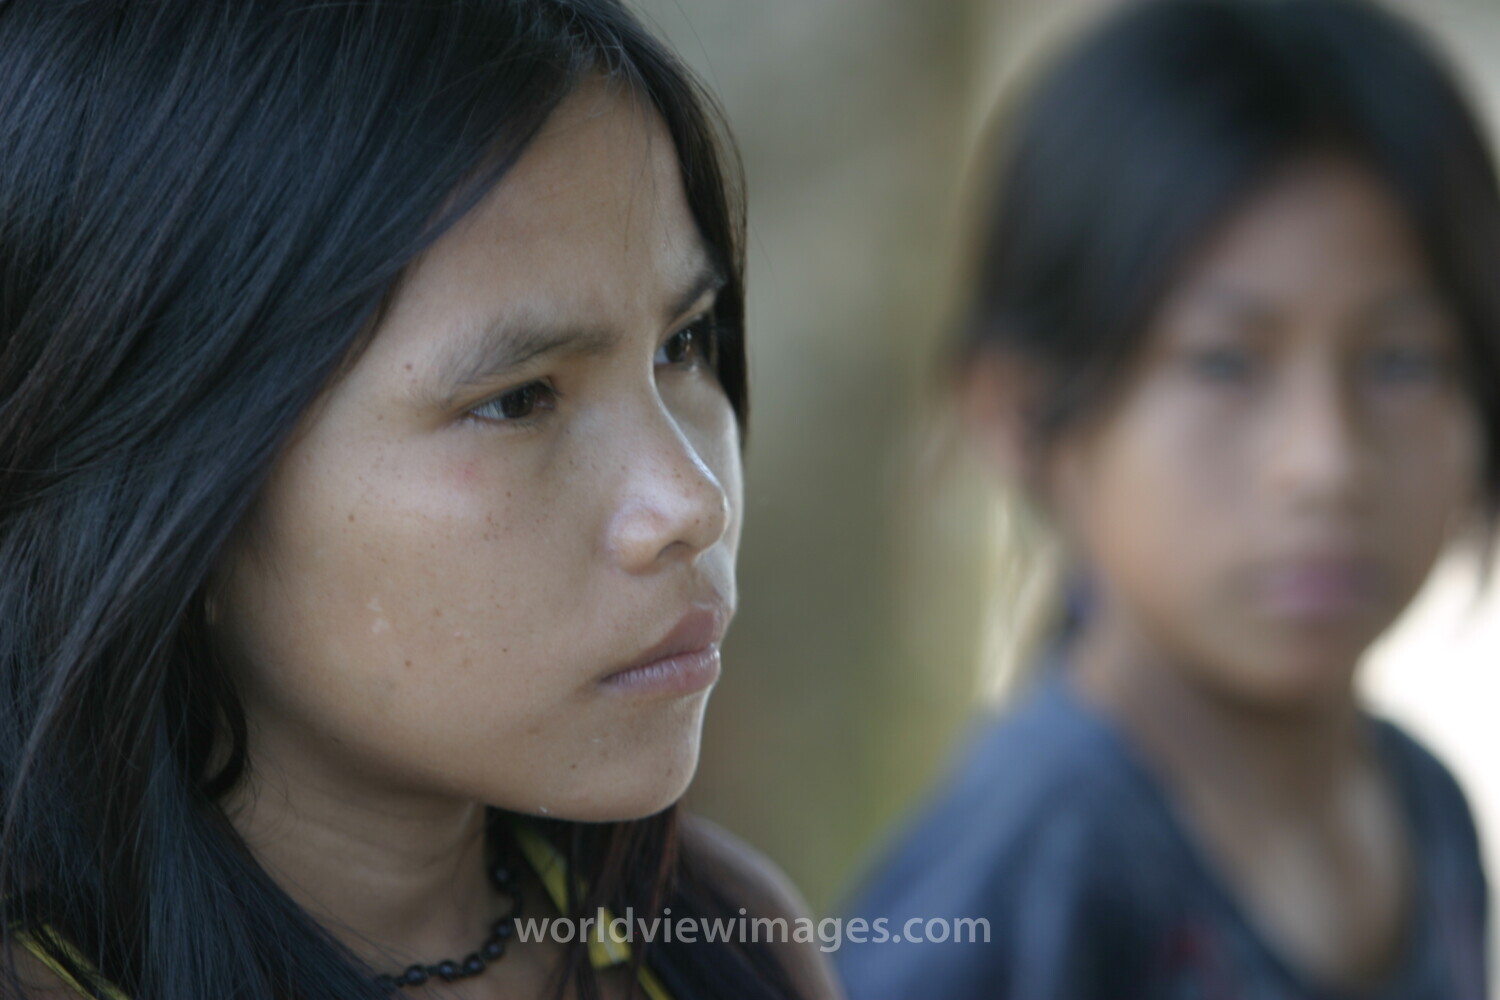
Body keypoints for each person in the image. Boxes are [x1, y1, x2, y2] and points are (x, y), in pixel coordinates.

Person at [0, 3, 843, 999]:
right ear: (173, 498)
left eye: (685, 343)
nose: (690, 502)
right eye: (519, 398)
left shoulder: (723, 940)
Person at [835, 1, 1498, 997]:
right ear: (1022, 412)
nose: (1324, 463)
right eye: (1226, 362)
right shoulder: (1026, 869)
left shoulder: (1423, 806)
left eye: (1400, 362)